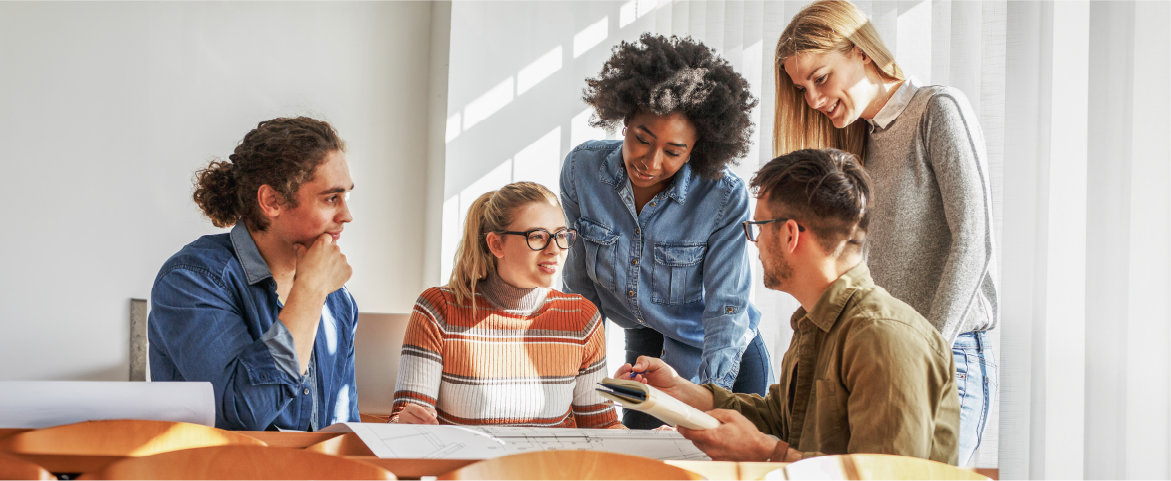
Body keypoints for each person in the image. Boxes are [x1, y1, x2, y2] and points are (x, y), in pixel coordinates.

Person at [619, 149, 959, 463]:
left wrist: (765, 453)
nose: (754, 244)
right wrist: (682, 392)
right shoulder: (816, 323)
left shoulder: (884, 339)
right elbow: (780, 417)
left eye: (757, 228)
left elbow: (884, 475)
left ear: (790, 235)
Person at [771, 0, 998, 464]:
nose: (812, 100)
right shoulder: (859, 144)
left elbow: (973, 243)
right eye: (801, 88)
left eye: (820, 78)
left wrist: (924, 354)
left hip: (946, 356)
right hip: (880, 362)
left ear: (861, 51)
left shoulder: (937, 110)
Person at [561, 34, 771, 429]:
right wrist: (578, 384)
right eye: (642, 139)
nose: (651, 161)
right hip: (647, 346)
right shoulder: (581, 171)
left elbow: (726, 307)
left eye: (673, 152)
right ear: (625, 121)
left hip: (722, 357)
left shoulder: (723, 196)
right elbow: (580, 291)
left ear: (696, 149)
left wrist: (710, 398)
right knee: (639, 457)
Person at [149, 117, 358, 431]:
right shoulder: (191, 280)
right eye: (331, 198)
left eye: (346, 197)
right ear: (271, 201)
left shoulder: (338, 301)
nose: (347, 215)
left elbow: (343, 430)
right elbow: (241, 415)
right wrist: (311, 291)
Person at [390, 182, 620, 429]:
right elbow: (404, 423)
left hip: (554, 457)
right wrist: (406, 424)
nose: (554, 250)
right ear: (496, 244)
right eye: (537, 236)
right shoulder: (438, 309)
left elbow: (602, 427)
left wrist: (651, 424)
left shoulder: (581, 317)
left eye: (561, 235)